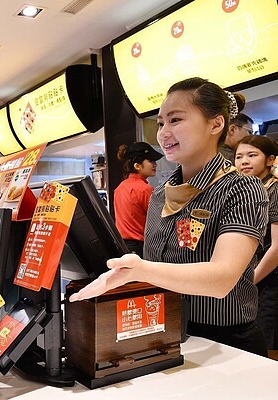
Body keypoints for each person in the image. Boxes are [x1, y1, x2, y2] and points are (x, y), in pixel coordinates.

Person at [69, 77, 268, 357]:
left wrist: (139, 270)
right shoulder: (161, 192)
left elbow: (222, 279)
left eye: (175, 120)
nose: (163, 132)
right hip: (165, 332)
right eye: (161, 123)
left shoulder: (242, 188)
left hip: (225, 342)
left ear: (215, 124)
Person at [235, 135, 278, 351]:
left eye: (252, 155)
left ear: (270, 160)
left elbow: (277, 247)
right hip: (252, 276)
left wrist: (251, 280)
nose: (244, 161)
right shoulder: (250, 191)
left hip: (268, 280)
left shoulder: (274, 189)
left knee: (265, 341)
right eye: (239, 156)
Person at [114, 142, 164, 257]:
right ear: (137, 166)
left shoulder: (120, 188)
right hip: (141, 248)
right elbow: (159, 221)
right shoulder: (145, 190)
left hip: (124, 247)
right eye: (151, 161)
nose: (155, 164)